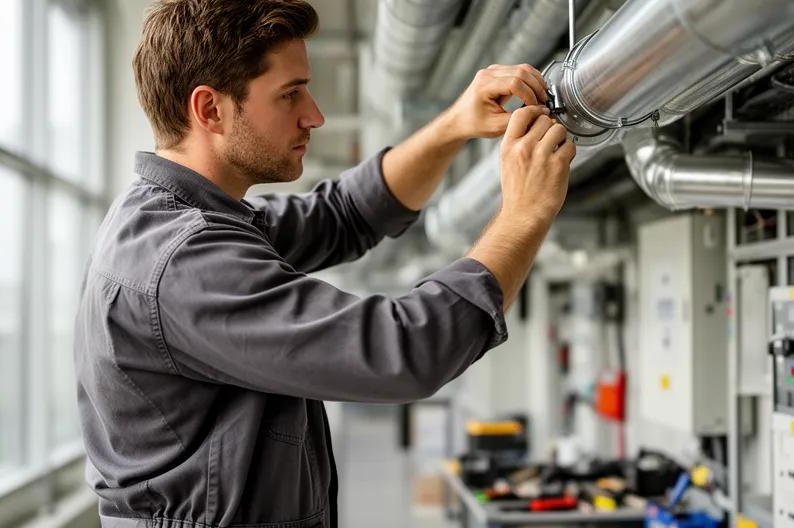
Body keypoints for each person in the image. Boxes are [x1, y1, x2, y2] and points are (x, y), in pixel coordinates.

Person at [75, 0, 577, 526]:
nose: (313, 114)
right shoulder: (181, 261)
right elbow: (402, 351)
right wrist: (524, 215)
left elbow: (344, 214)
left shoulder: (195, 219)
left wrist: (455, 124)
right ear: (210, 110)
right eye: (290, 94)